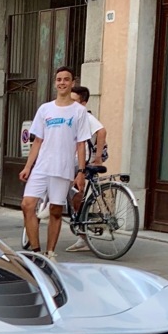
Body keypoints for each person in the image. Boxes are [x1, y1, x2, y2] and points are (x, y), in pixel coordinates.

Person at [18, 66, 93, 255]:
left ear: (72, 83)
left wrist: (81, 172)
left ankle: (50, 253)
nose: (62, 83)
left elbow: (81, 144)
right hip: (42, 166)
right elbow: (37, 142)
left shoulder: (79, 112)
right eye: (59, 80)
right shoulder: (45, 109)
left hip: (63, 168)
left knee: (56, 211)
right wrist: (28, 166)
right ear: (55, 83)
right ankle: (36, 250)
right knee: (27, 205)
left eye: (66, 79)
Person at [64, 84, 108, 252]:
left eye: (74, 101)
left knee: (73, 193)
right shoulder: (73, 116)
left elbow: (102, 132)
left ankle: (81, 232)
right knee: (77, 196)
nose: (71, 104)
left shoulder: (85, 116)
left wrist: (97, 158)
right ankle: (80, 230)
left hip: (78, 161)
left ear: (83, 103)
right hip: (74, 160)